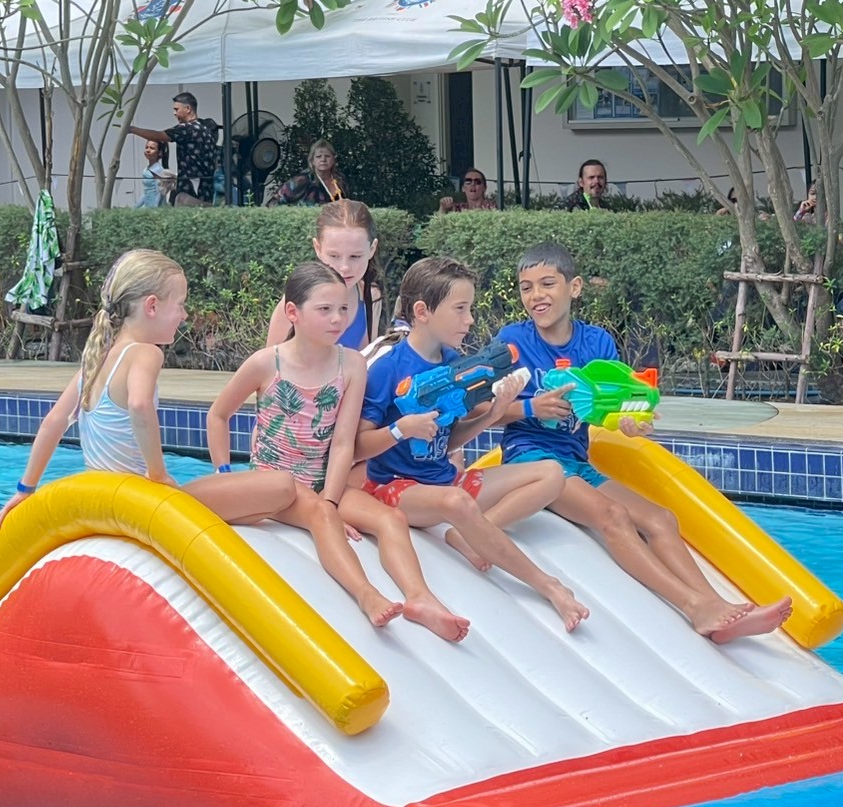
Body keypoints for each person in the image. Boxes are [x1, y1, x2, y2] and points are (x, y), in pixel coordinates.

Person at [494, 242, 793, 643]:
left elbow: (610, 410)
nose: (536, 296)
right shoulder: (513, 341)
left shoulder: (597, 343)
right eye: (526, 287)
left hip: (576, 462)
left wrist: (630, 423)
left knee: (661, 519)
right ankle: (694, 606)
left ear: (574, 287)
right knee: (613, 516)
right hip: (531, 460)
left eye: (547, 284)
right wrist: (533, 407)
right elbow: (484, 409)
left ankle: (716, 605)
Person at [209, 262, 469, 639]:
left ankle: (421, 598)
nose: (337, 319)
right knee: (321, 516)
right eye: (325, 309)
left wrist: (331, 499)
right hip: (274, 483)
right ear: (293, 312)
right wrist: (224, 476)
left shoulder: (351, 364)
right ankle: (367, 595)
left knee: (390, 519)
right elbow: (218, 416)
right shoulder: (267, 363)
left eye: (344, 308)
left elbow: (344, 441)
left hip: (323, 482)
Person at [354, 257, 589, 633]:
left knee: (551, 473)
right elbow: (357, 448)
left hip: (444, 479)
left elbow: (449, 441)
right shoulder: (388, 369)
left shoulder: (454, 363)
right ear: (422, 312)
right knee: (456, 502)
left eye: (470, 308)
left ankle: (466, 535)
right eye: (460, 309)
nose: (470, 320)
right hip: (395, 489)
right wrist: (401, 430)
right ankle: (549, 586)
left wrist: (493, 412)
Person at [0, 250, 297, 530]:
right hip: (134, 499)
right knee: (281, 486)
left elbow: (54, 421)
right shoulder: (146, 353)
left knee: (249, 508)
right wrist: (159, 474)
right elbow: (139, 405)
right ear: (152, 306)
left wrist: (25, 489)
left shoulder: (97, 358)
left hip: (98, 495)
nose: (185, 315)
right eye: (180, 305)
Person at [266, 199, 386, 351]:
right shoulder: (297, 301)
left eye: (355, 256)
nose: (344, 267)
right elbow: (271, 362)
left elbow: (365, 360)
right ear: (318, 248)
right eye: (334, 256)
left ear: (372, 249)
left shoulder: (371, 296)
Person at [128, 92, 220, 207]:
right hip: (207, 185)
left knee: (183, 202)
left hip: (192, 185)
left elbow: (160, 136)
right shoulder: (205, 130)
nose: (174, 113)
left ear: (188, 109)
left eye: (176, 109)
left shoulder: (187, 129)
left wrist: (132, 129)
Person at [272, 141, 346, 206]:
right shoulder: (302, 179)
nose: (323, 159)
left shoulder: (339, 178)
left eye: (327, 156)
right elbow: (275, 201)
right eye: (318, 157)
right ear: (312, 160)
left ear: (333, 159)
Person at [136, 138, 173, 209]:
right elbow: (146, 192)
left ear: (159, 152)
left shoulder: (157, 170)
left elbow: (160, 192)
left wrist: (155, 208)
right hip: (148, 204)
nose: (148, 150)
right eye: (146, 147)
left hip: (156, 206)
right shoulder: (146, 169)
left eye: (152, 148)